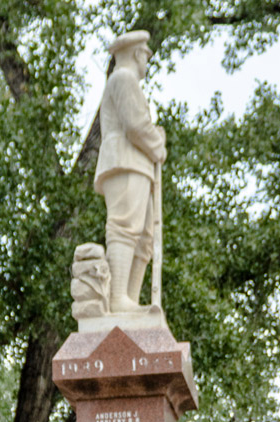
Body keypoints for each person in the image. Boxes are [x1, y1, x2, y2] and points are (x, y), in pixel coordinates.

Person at [94, 30, 166, 312]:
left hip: (137, 165)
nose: (147, 61)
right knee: (125, 228)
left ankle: (129, 302)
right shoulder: (123, 78)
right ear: (137, 54)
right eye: (146, 55)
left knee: (144, 238)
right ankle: (117, 300)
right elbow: (135, 126)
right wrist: (157, 145)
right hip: (124, 161)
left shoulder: (125, 80)